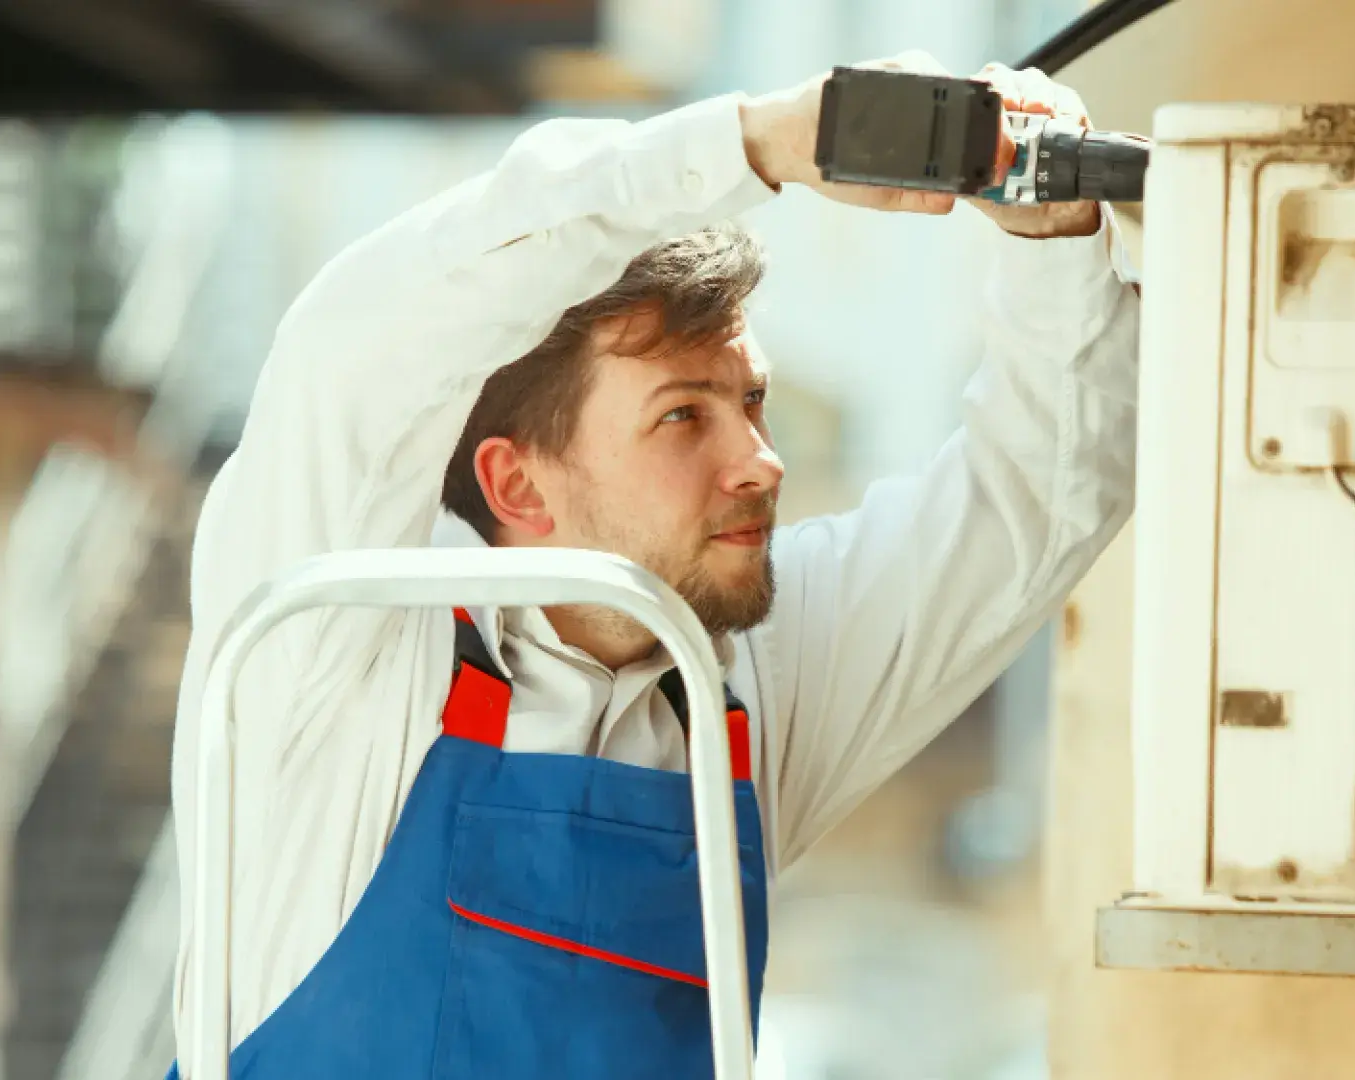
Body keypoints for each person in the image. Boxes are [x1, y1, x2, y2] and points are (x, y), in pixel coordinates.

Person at [166, 51, 1138, 1079]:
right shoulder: (332, 665)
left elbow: (1040, 497)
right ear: (518, 487)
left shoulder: (742, 687)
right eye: (683, 417)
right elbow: (356, 340)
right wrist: (758, 144)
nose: (759, 462)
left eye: (751, 403)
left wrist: (1056, 240)